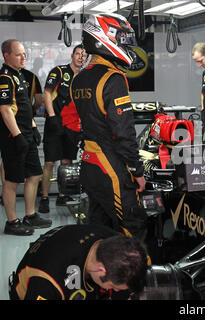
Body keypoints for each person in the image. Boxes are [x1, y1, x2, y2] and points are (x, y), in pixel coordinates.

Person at [71, 13, 147, 241]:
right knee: (133, 225)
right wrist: (138, 171)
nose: (125, 44)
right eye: (121, 39)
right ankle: (134, 276)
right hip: (111, 167)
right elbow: (123, 133)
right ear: (103, 38)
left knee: (98, 230)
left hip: (89, 163)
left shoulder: (79, 79)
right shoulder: (113, 78)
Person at [9, 224, 148, 300]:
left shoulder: (112, 239)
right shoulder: (47, 280)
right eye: (113, 286)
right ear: (101, 270)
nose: (116, 290)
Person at [0, 39, 51, 236]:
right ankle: (12, 222)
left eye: (24, 54)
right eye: (19, 54)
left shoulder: (19, 75)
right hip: (14, 137)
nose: (24, 57)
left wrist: (32, 128)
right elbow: (5, 110)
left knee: (35, 174)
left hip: (26, 133)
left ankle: (30, 215)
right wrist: (18, 135)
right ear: (7, 56)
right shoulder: (5, 78)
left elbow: (24, 106)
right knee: (12, 182)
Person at [38, 44, 87, 214]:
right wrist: (51, 117)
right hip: (55, 123)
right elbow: (46, 92)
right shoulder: (59, 71)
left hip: (73, 126)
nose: (81, 57)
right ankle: (44, 198)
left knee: (67, 163)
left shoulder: (84, 77)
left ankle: (62, 195)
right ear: (72, 55)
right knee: (50, 162)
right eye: (78, 54)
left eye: (84, 55)